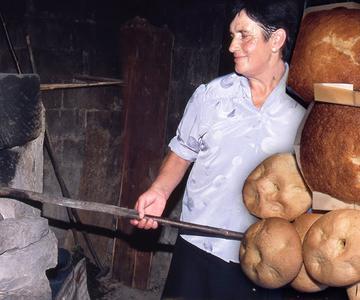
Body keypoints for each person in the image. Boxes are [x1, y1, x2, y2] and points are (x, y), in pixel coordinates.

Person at [131, 0, 306, 299]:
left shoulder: (304, 112)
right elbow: (183, 150)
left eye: (244, 35)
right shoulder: (211, 96)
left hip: (262, 263)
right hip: (195, 250)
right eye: (231, 35)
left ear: (276, 39)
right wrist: (159, 191)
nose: (232, 46)